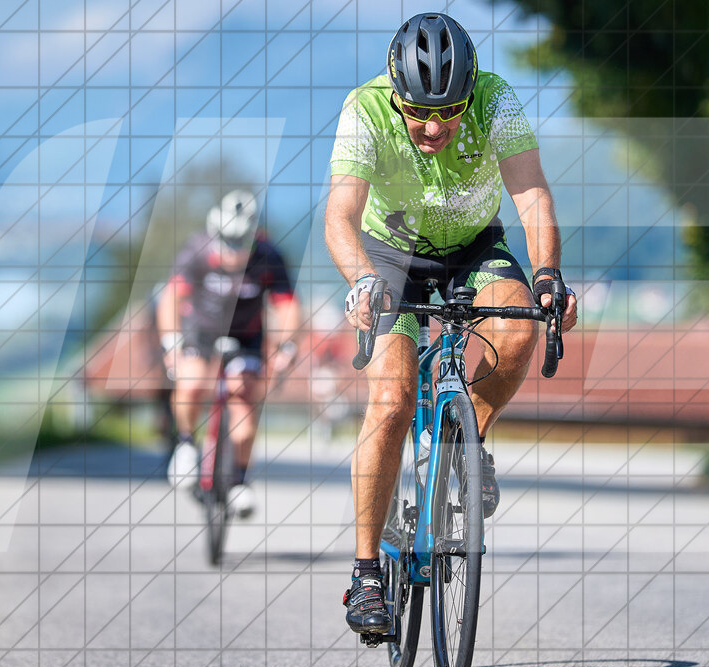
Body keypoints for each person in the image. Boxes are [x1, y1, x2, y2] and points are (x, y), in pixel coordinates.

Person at [325, 13, 579, 634]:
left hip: (473, 247)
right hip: (391, 257)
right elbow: (340, 214)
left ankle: (470, 442)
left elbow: (532, 197)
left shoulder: (496, 99)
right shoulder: (365, 108)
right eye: (419, 114)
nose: (435, 127)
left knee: (518, 330)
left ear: (471, 93)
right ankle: (364, 574)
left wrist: (547, 276)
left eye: (451, 110)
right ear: (395, 93)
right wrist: (361, 279)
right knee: (389, 399)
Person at [157, 189, 301, 518]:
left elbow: (288, 305)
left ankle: (238, 479)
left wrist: (287, 347)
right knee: (191, 383)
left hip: (246, 335)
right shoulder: (197, 249)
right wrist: (171, 343)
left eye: (241, 242)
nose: (233, 250)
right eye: (227, 240)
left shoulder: (268, 256)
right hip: (201, 331)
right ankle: (184, 443)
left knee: (244, 397)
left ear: (254, 237)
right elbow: (171, 299)